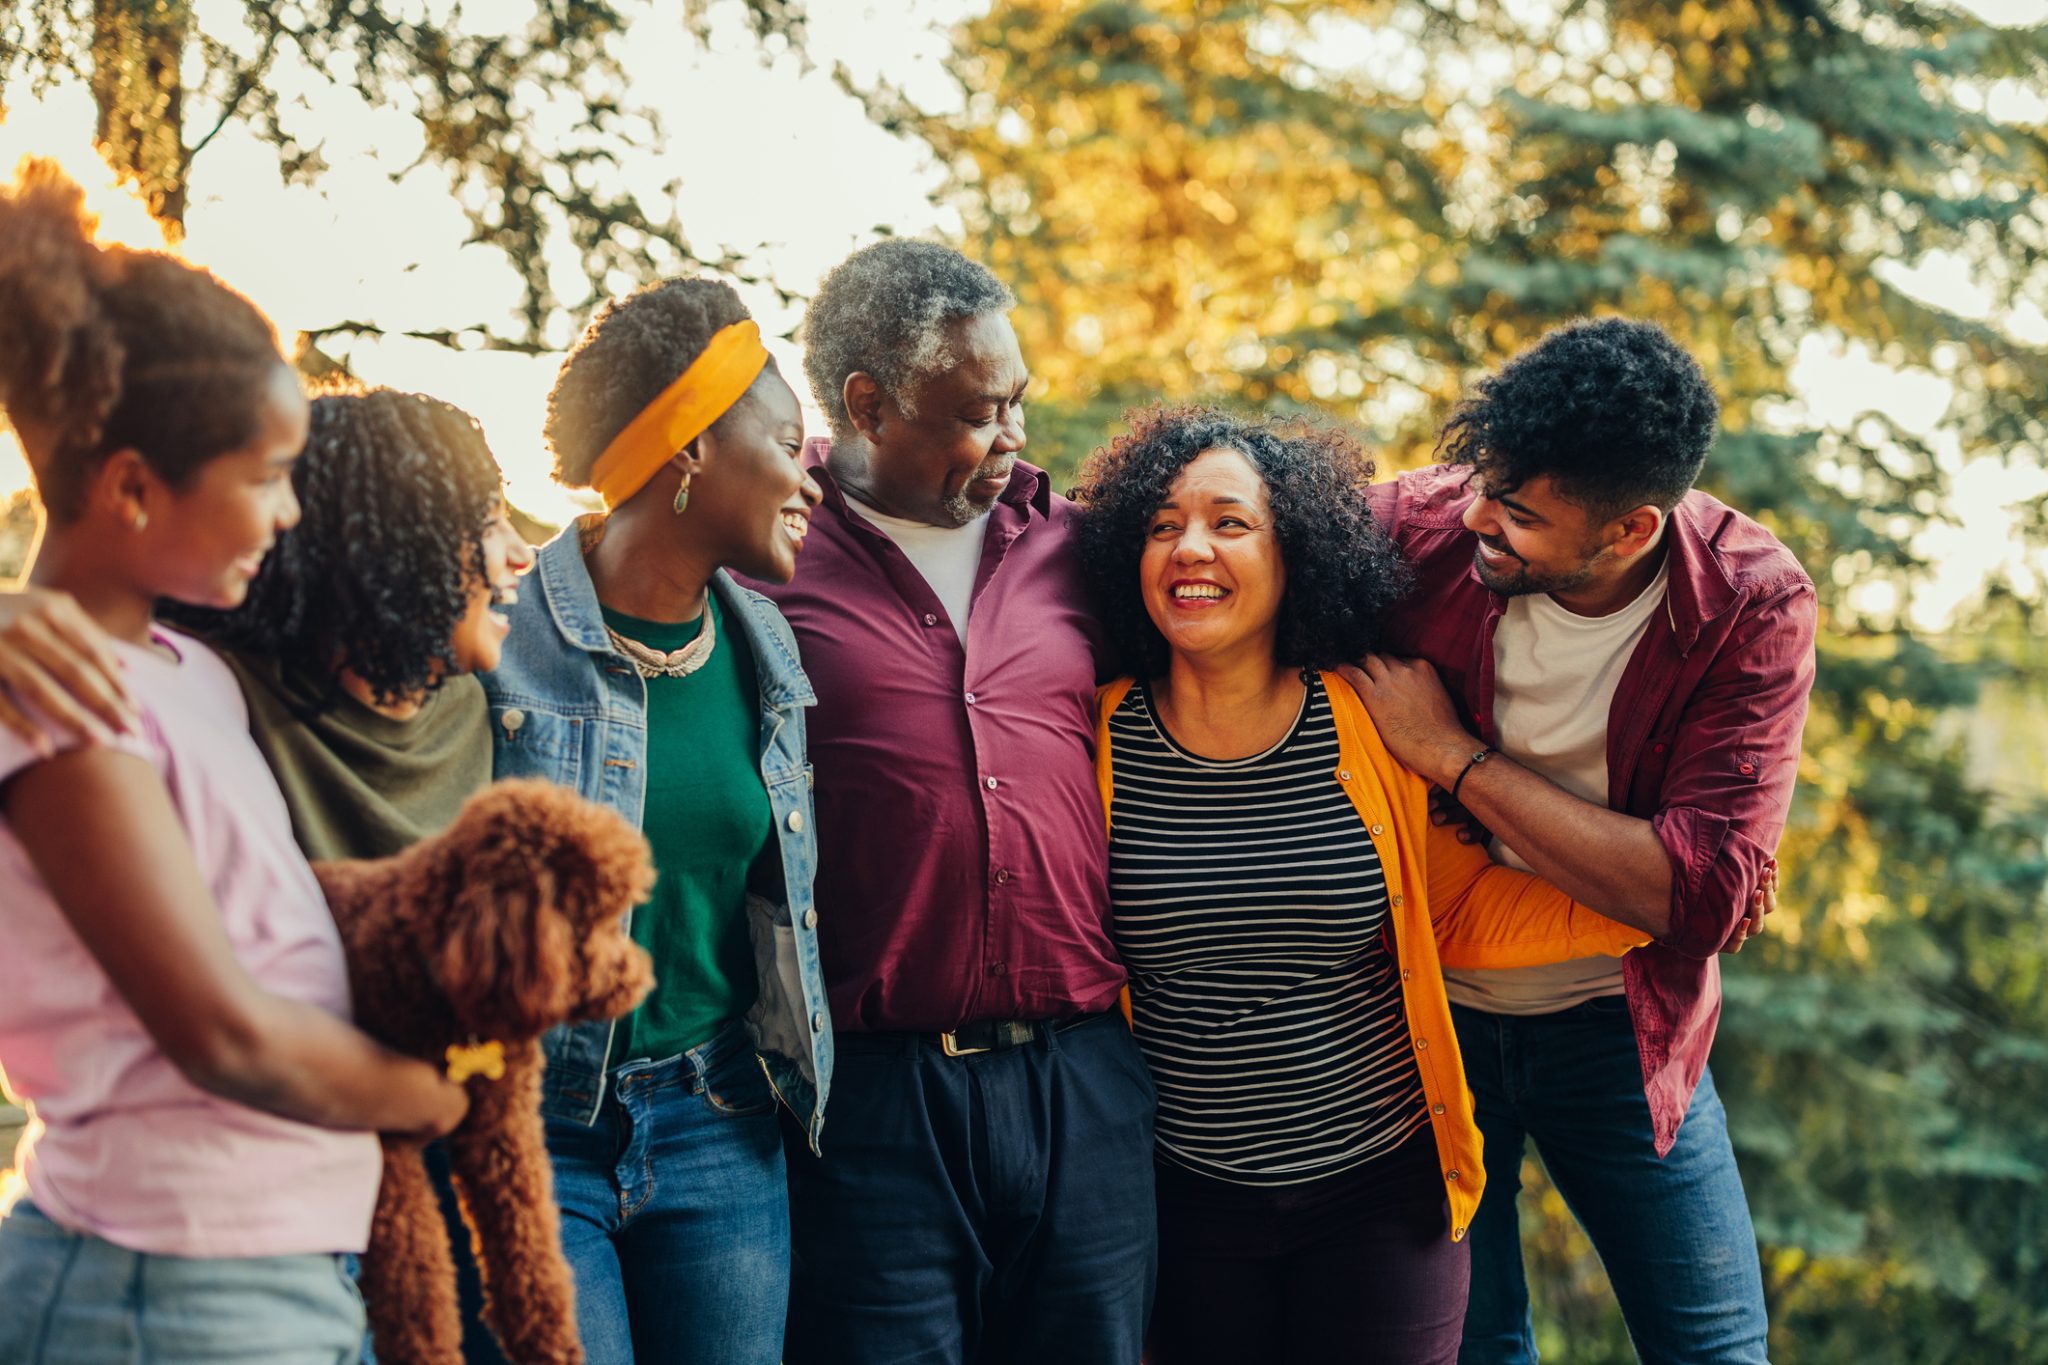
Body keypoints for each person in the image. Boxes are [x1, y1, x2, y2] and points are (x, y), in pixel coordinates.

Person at [0, 162, 467, 1361]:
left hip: (280, 1267)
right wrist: (434, 1096)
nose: (291, 513)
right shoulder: (56, 706)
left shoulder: (189, 670)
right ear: (133, 488)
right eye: (265, 478)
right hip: (162, 1281)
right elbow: (226, 1037)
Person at [1071, 405, 1649, 1363]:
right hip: (1182, 1202)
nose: (1190, 547)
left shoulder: (1365, 718)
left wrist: (1647, 914)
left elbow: (1455, 907)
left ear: (1294, 549)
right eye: (1162, 525)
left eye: (1229, 521)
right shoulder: (1093, 737)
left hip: (1382, 1199)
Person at [1352, 318, 1814, 1364]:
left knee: (1712, 1350)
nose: (1472, 515)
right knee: (1467, 1348)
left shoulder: (1748, 602)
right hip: (1423, 1021)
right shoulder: (1421, 528)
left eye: (1514, 513)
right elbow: (1216, 531)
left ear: (1626, 529)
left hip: (1620, 1027)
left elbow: (1695, 900)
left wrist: (1448, 757)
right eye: (1479, 479)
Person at [749, 239, 1154, 1364]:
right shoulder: (762, 563)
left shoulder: (1078, 548)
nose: (1013, 433)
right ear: (869, 405)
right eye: (981, 410)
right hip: (874, 1104)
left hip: (1086, 1079)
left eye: (1016, 399)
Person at [483, 276, 830, 1364]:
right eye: (783, 440)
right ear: (690, 451)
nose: (809, 477)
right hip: (535, 1131)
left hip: (718, 1118)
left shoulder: (765, 644)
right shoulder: (499, 634)